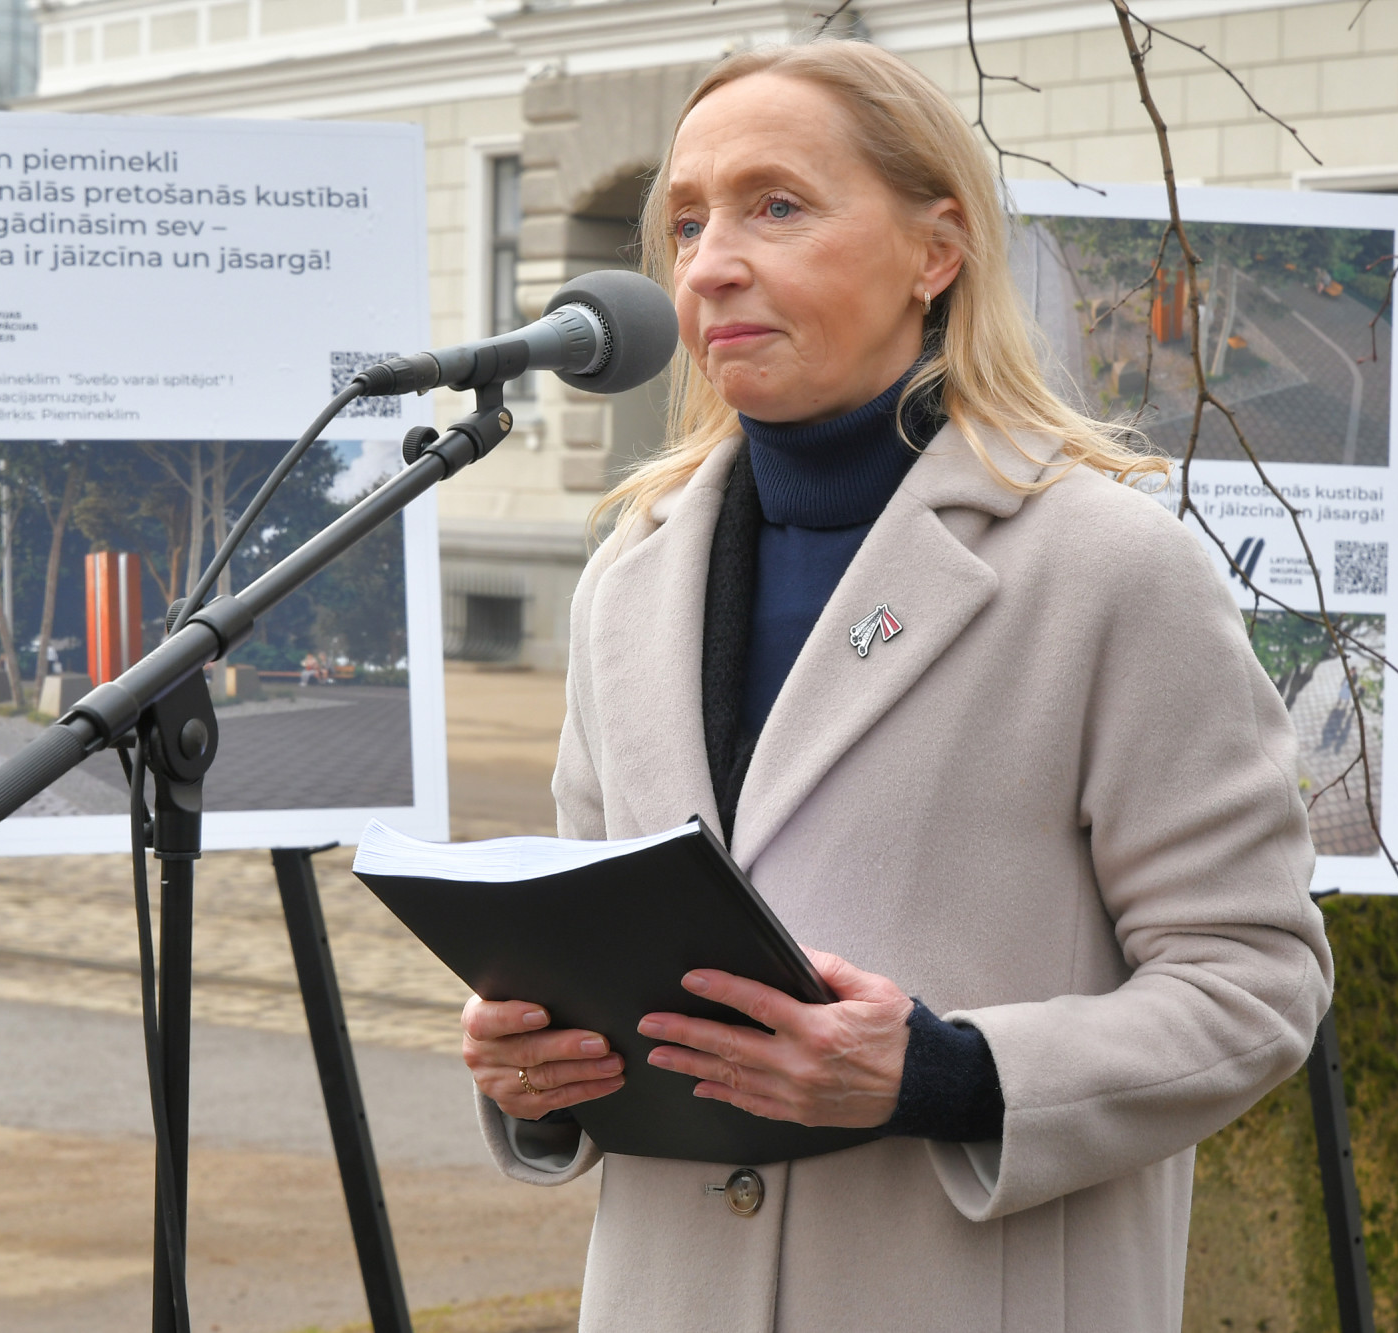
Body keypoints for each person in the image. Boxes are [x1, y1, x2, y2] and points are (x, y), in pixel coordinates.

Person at [458, 41, 1333, 1330]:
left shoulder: (1104, 567)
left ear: (936, 250)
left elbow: (1252, 985)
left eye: (775, 207)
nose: (709, 264)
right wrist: (540, 1068)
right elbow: (602, 945)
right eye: (687, 223)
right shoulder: (626, 578)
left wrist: (942, 1073)